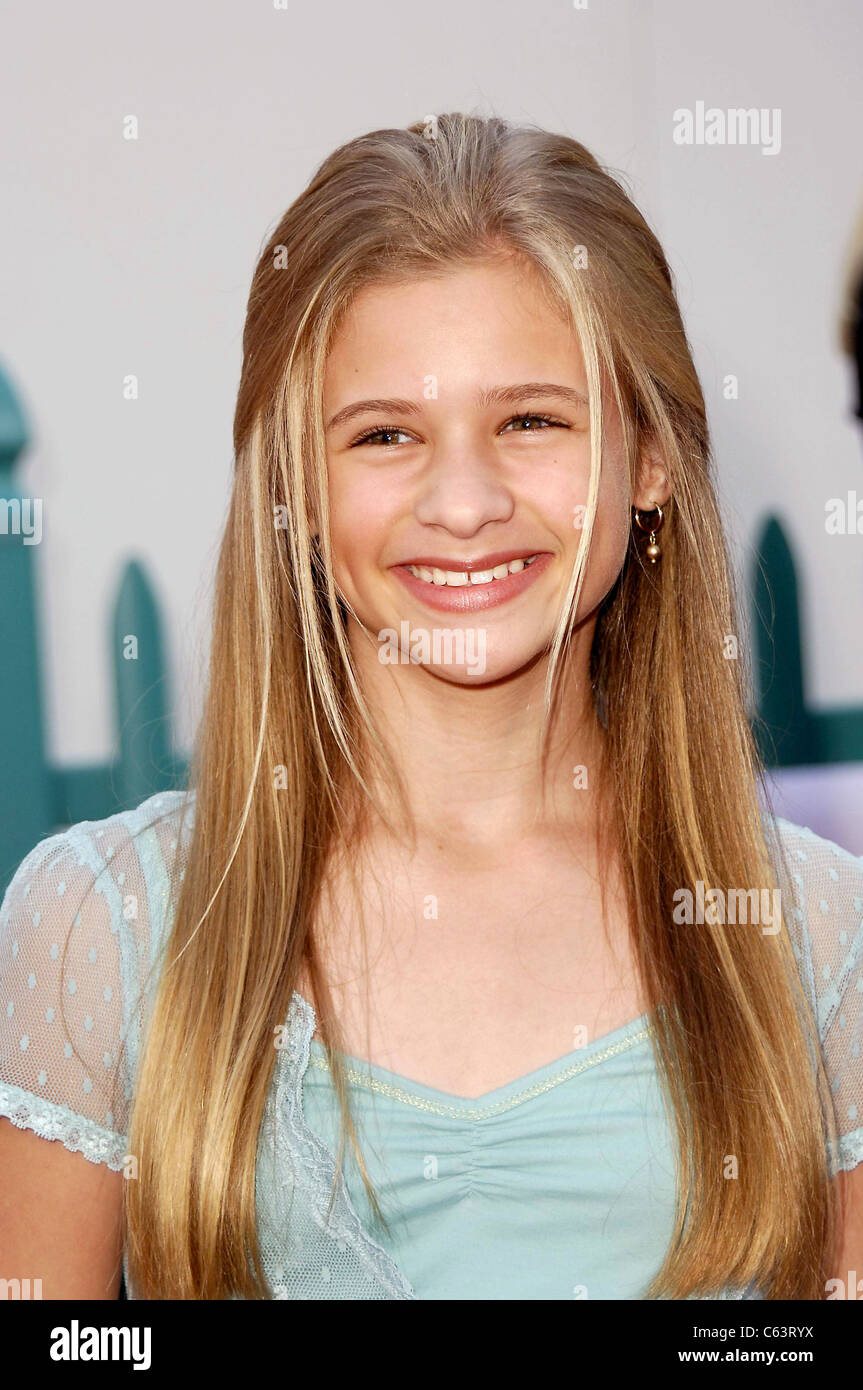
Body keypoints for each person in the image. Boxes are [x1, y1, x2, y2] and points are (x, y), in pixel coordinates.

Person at [1, 113, 862, 1301]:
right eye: (386, 433)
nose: (462, 502)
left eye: (530, 420)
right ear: (296, 483)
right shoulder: (102, 925)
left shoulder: (817, 939)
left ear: (649, 458)